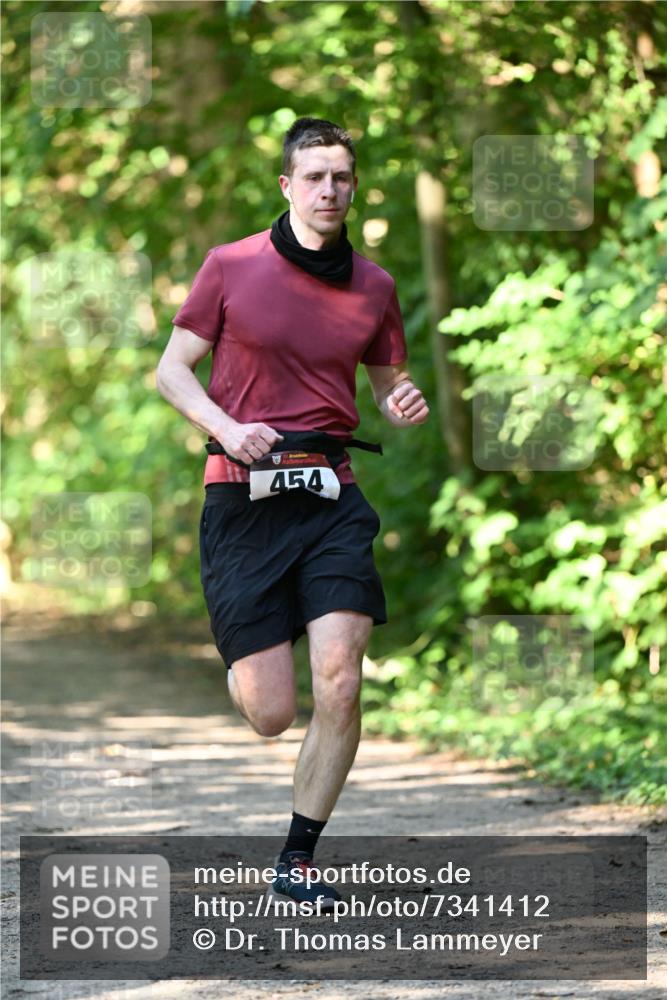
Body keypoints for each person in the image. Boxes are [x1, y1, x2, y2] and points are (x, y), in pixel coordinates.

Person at [156, 117, 428, 911]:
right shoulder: (231, 266)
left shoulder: (374, 287)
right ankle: (247, 654)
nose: (329, 189)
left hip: (331, 492)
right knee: (272, 713)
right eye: (314, 176)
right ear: (287, 185)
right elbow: (171, 371)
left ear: (353, 185)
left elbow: (385, 387)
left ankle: (297, 862)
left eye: (341, 176)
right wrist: (225, 427)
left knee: (340, 680)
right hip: (241, 495)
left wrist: (400, 399)